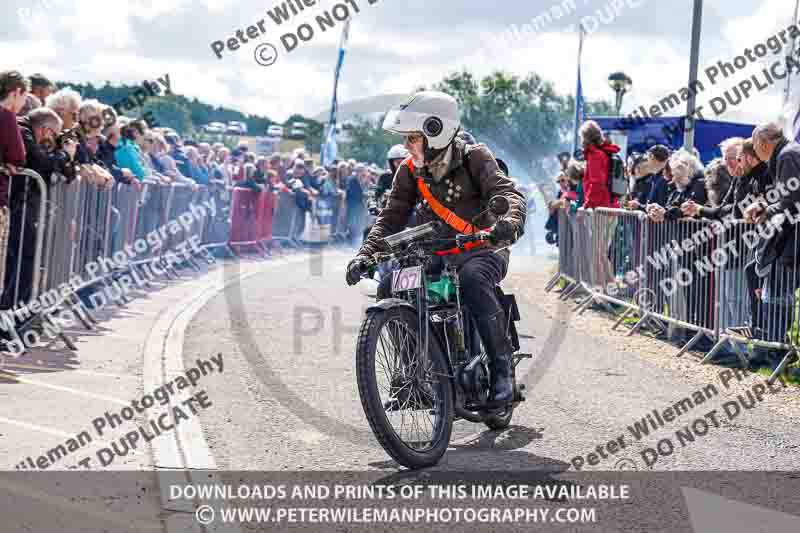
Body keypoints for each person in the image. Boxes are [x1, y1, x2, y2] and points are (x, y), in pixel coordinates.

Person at [345, 91, 526, 406]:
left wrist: (508, 222)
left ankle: (502, 371)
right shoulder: (409, 169)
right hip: (434, 251)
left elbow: (507, 193)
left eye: (412, 138)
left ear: (435, 131)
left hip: (482, 247)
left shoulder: (475, 157)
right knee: (390, 285)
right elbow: (391, 217)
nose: (406, 145)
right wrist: (366, 254)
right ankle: (414, 376)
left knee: (472, 279)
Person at [0, 71, 27, 207]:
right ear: (16, 92)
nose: (24, 104)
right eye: (24, 97)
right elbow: (18, 157)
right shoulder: (6, 116)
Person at [580, 120, 620, 209]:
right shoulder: (604, 152)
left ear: (585, 138)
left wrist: (588, 204)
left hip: (599, 207)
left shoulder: (595, 154)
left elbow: (596, 182)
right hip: (609, 204)